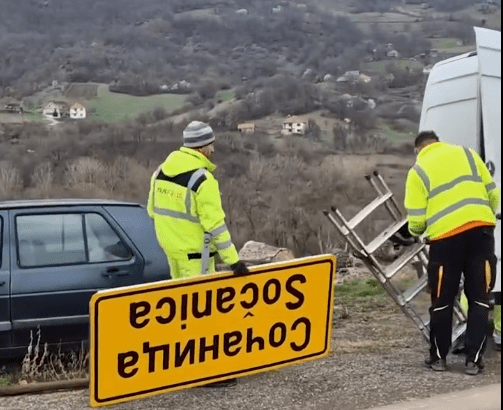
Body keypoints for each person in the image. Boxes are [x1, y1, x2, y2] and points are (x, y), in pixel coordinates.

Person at [147, 121, 248, 387]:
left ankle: (181, 367)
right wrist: (234, 262)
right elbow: (216, 226)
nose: (213, 150)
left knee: (181, 312)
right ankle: (206, 374)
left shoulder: (160, 173)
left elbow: (151, 211)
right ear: (203, 148)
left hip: (172, 251)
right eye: (210, 145)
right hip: (197, 256)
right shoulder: (203, 180)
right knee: (203, 315)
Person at [404, 131, 500, 375]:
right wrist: (483, 218)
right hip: (481, 234)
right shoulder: (468, 154)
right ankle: (473, 360)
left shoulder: (418, 170)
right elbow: (494, 194)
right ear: (439, 141)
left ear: (419, 149)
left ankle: (438, 359)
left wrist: (420, 229)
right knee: (479, 298)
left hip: (445, 242)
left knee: (441, 300)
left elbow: (415, 220)